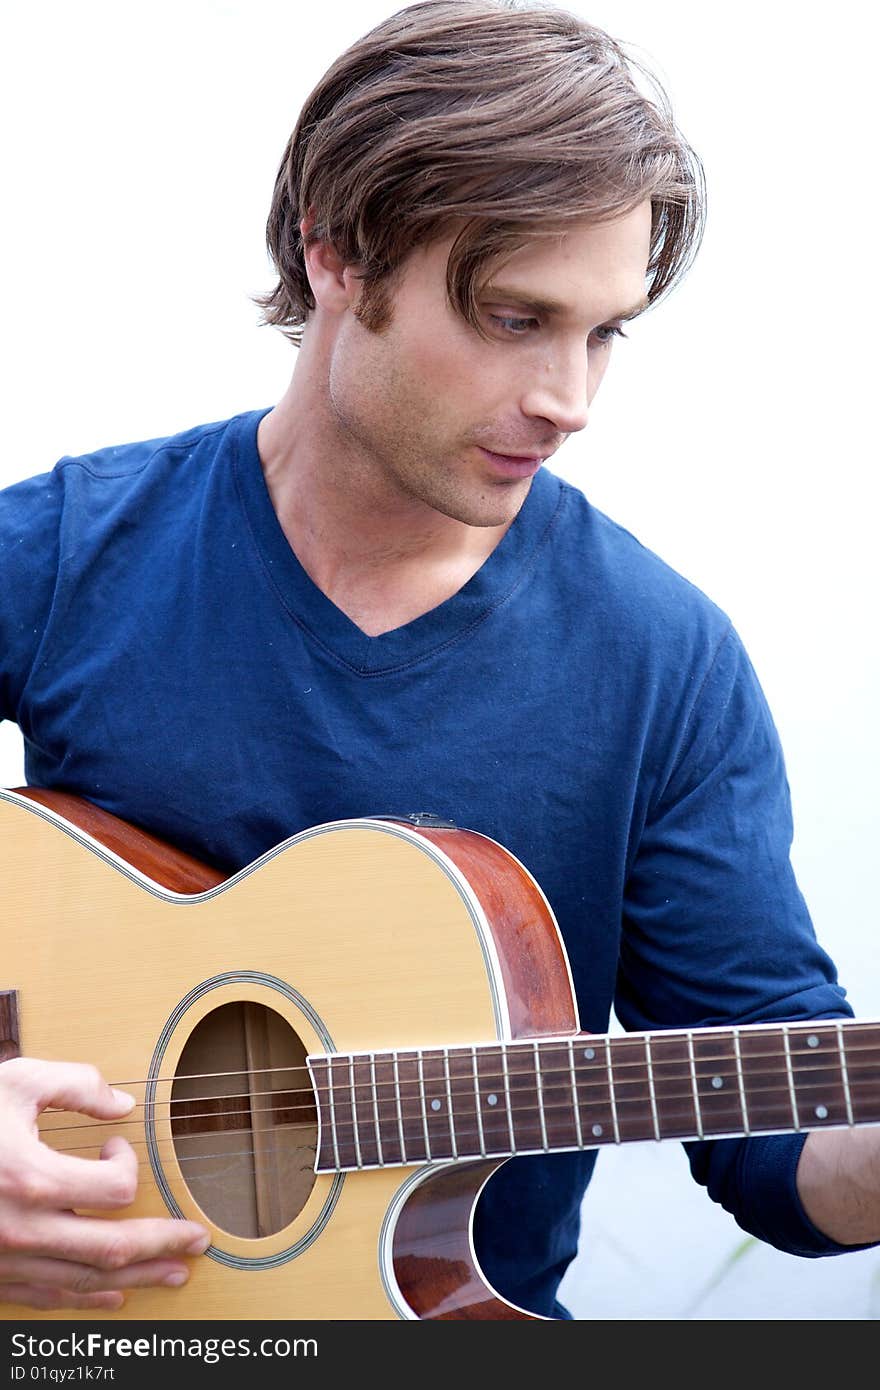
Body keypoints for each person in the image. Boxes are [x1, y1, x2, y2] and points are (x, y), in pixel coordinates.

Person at [0, 0, 877, 1320]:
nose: (570, 399)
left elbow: (773, 1140)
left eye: (605, 332)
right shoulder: (66, 553)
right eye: (518, 319)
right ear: (341, 256)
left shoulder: (662, 655)